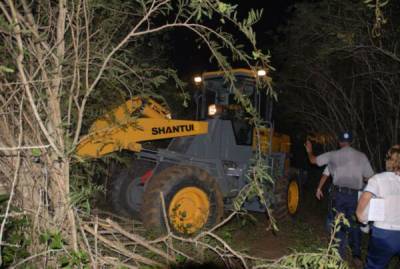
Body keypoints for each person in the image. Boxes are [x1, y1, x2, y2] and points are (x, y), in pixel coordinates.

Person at [305, 131, 374, 265]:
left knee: (339, 224)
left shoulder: (333, 155)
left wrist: (309, 150)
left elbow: (313, 160)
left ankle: (339, 258)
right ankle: (357, 256)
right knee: (355, 224)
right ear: (351, 142)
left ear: (339, 142)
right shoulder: (361, 156)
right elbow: (370, 177)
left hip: (339, 196)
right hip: (355, 196)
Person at [356, 145, 400, 269]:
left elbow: (365, 197)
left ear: (388, 161)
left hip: (384, 233)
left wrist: (360, 217)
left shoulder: (378, 179)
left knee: (375, 266)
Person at [316, 166, 334, 232]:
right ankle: (330, 234)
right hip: (349, 193)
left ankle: (331, 234)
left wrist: (318, 189)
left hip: (336, 190)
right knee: (332, 212)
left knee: (331, 212)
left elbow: (325, 175)